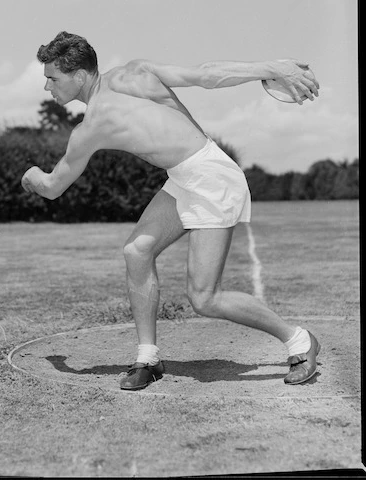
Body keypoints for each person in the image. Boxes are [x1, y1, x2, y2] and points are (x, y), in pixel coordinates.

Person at [21, 31, 321, 391]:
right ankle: (147, 358)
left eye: (52, 78)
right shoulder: (133, 73)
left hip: (211, 179)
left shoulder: (92, 128)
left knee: (204, 297)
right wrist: (272, 67)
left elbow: (53, 187)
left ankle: (299, 340)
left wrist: (30, 176)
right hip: (185, 177)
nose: (47, 88)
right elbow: (206, 74)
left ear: (80, 76)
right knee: (137, 250)